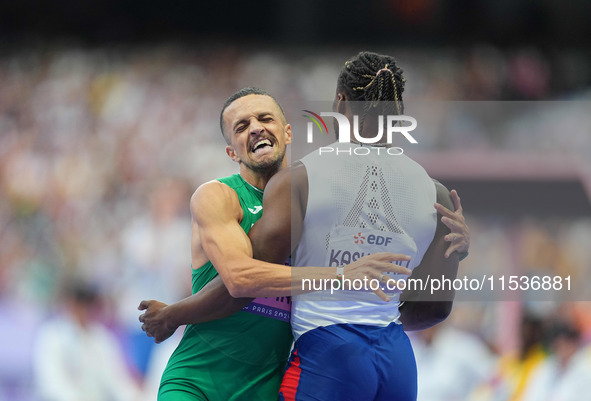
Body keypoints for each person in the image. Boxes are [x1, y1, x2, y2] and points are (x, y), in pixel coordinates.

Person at [146, 87, 416, 401]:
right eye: (242, 126)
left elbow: (384, 268)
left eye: (264, 119)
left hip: (268, 387)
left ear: (287, 133)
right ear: (232, 152)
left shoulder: (319, 205)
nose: (256, 128)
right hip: (197, 381)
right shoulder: (218, 196)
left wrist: (447, 243)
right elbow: (240, 279)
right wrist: (342, 274)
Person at [33, 279, 142, 401]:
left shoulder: (101, 338)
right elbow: (54, 384)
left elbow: (117, 380)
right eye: (82, 305)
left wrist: (137, 397)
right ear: (72, 304)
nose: (88, 310)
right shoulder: (52, 336)